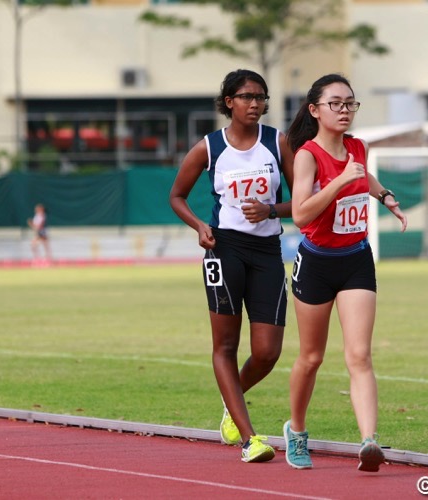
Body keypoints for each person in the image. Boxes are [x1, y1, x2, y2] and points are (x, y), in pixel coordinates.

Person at [282, 73, 407, 472]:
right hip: (316, 262)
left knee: (360, 355)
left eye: (351, 103)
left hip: (355, 259)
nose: (345, 110)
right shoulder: (307, 155)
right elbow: (300, 214)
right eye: (336, 103)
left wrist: (384, 194)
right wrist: (338, 182)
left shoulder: (358, 147)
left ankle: (369, 441)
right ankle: (297, 431)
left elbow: (361, 174)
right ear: (315, 110)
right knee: (312, 357)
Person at [169, 69, 294, 463]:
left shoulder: (278, 142)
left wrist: (272, 209)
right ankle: (249, 439)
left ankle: (231, 401)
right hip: (224, 249)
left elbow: (305, 201)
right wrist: (200, 226)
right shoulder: (209, 147)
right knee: (224, 344)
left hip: (267, 251)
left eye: (260, 97)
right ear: (228, 102)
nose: (255, 103)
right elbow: (176, 196)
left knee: (267, 352)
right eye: (246, 97)